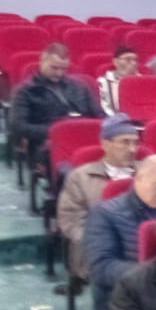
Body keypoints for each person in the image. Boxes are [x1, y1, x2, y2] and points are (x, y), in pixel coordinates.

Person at [84, 155, 156, 310]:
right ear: (139, 178)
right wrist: (155, 274)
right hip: (128, 300)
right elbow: (101, 268)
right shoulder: (104, 214)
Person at [58, 113, 139, 286]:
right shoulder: (81, 177)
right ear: (105, 144)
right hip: (99, 250)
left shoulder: (147, 173)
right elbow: (71, 221)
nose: (132, 149)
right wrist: (101, 242)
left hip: (141, 247)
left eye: (135, 143)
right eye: (125, 142)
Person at [11, 43, 100, 152]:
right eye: (54, 68)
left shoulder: (80, 86)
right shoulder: (25, 91)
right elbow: (18, 126)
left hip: (84, 136)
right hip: (48, 141)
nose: (59, 73)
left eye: (64, 69)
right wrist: (58, 131)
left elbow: (99, 115)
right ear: (42, 61)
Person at [97, 44, 139, 115]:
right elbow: (104, 107)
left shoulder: (142, 81)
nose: (133, 63)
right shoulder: (102, 82)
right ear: (115, 62)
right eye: (128, 59)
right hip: (114, 119)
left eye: (135, 60)